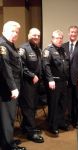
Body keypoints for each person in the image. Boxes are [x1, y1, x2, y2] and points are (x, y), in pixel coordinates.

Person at [0, 21, 26, 150]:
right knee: (7, 117)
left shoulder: (10, 45)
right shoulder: (3, 45)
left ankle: (7, 140)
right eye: (13, 31)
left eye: (17, 32)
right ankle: (8, 145)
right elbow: (6, 68)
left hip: (13, 86)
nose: (15, 34)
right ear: (4, 30)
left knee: (9, 116)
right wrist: (13, 87)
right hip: (7, 88)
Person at [18, 28, 44, 143]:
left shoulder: (38, 49)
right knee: (28, 107)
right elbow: (21, 66)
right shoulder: (24, 49)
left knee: (32, 106)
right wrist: (32, 75)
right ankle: (31, 132)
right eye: (34, 35)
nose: (36, 37)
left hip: (35, 84)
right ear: (29, 35)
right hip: (27, 83)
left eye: (38, 35)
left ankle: (26, 127)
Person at [42, 30, 70, 137]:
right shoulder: (48, 50)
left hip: (63, 82)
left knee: (62, 104)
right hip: (54, 82)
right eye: (57, 38)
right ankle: (52, 126)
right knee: (53, 104)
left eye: (61, 38)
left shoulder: (63, 50)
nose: (60, 40)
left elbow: (66, 65)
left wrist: (66, 78)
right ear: (52, 39)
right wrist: (50, 79)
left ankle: (61, 122)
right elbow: (46, 66)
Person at [63, 26, 78, 129]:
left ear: (77, 34)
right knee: (69, 101)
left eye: (75, 32)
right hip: (67, 79)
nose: (73, 34)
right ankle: (70, 119)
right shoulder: (63, 46)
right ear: (68, 33)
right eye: (71, 32)